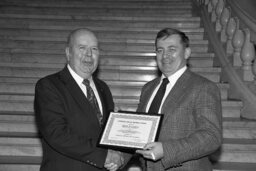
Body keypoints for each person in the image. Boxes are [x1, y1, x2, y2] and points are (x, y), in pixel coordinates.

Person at [34, 28, 126, 171]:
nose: (89, 55)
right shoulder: (49, 86)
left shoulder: (103, 88)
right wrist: (103, 157)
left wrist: (121, 137)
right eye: (82, 48)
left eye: (94, 49)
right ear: (68, 53)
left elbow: (106, 135)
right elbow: (57, 133)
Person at [136, 28, 222, 171]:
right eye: (160, 50)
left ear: (187, 53)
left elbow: (211, 137)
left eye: (172, 49)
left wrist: (166, 150)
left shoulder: (203, 87)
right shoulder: (148, 88)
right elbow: (140, 133)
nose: (165, 56)